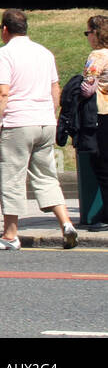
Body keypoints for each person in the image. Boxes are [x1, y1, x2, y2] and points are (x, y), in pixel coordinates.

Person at [0, 9, 78, 249]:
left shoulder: (4, 53)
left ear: (5, 29)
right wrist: (50, 114)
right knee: (47, 176)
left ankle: (10, 235)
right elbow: (55, 88)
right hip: (45, 121)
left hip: (18, 122)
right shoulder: (44, 52)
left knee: (12, 177)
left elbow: (2, 91)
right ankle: (66, 223)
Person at [78, 14, 108, 227]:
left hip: (101, 113)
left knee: (102, 164)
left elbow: (88, 86)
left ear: (96, 33)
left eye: (88, 32)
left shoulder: (97, 55)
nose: (87, 36)